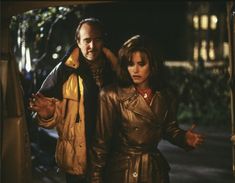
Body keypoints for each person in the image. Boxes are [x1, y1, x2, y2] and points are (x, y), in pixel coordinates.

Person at [89, 35, 205, 183]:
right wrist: (95, 178)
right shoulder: (111, 95)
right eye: (130, 64)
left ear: (153, 65)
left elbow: (170, 129)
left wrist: (184, 138)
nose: (135, 70)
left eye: (141, 64)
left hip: (154, 171)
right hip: (122, 172)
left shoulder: (166, 95)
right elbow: (100, 144)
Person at [29, 17, 117, 183]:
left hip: (112, 157)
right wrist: (47, 114)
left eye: (97, 40)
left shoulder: (115, 71)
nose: (92, 46)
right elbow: (47, 115)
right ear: (78, 41)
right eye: (87, 40)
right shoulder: (63, 71)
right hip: (77, 157)